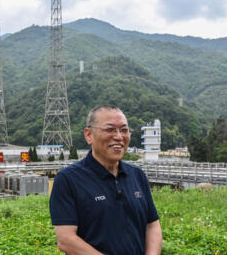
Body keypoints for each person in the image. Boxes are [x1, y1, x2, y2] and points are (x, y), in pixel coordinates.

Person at [49, 105, 162, 255]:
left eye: (124, 130)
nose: (119, 136)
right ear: (89, 135)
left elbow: (152, 225)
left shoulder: (137, 175)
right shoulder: (68, 179)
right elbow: (66, 239)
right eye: (110, 129)